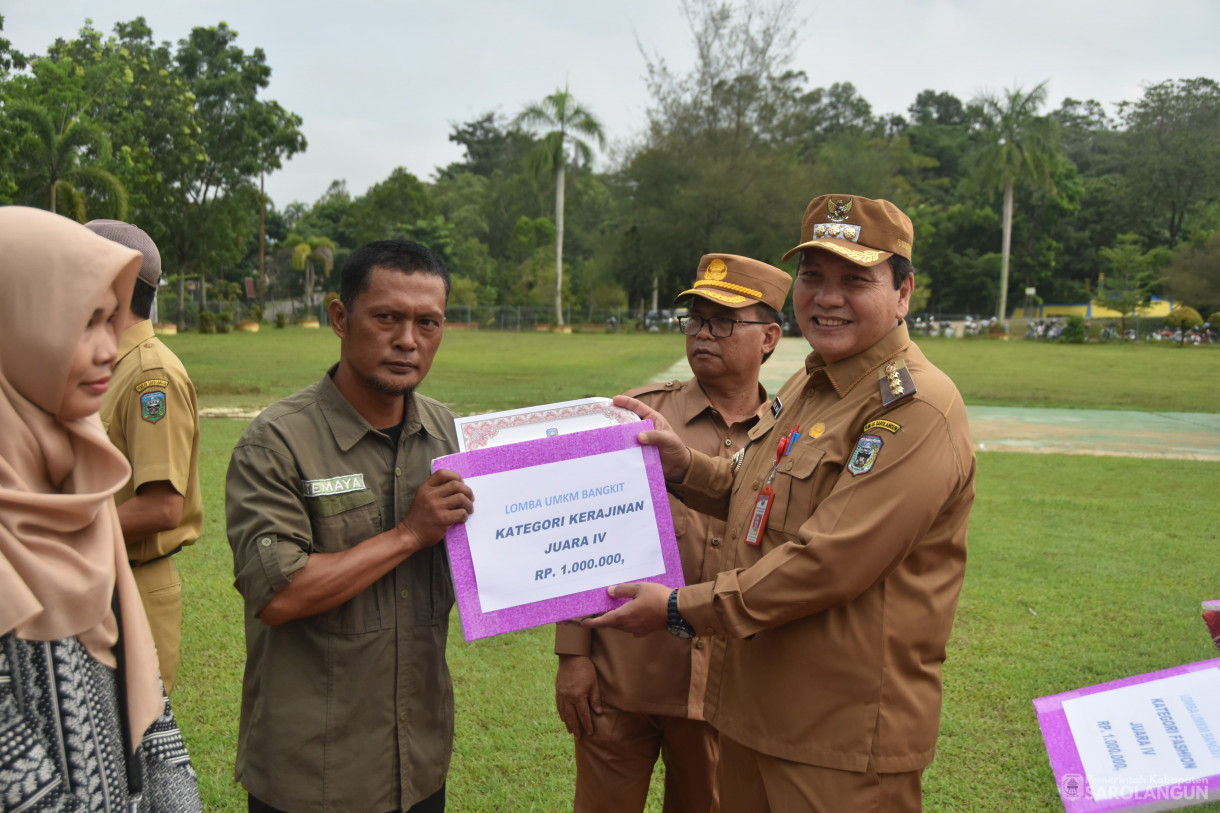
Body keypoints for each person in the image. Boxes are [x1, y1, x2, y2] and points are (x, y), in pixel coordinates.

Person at [586, 194, 976, 812]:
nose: (826, 296)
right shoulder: (811, 382)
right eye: (813, 276)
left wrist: (681, 609)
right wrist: (684, 467)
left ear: (903, 293)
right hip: (753, 713)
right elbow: (757, 488)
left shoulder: (913, 406)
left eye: (855, 279)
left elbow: (831, 559)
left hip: (839, 737)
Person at [225, 239, 475, 813]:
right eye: (387, 317)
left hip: (418, 762)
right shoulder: (278, 442)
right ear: (340, 317)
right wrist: (410, 534)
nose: (408, 340)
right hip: (314, 771)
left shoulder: (451, 438)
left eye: (427, 323)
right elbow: (279, 594)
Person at [554, 254, 791, 813]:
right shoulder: (637, 417)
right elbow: (584, 535)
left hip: (725, 689)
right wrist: (573, 656)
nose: (703, 333)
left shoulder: (792, 435)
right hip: (621, 677)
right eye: (695, 319)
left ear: (770, 338)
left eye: (724, 321)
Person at [0, 206, 202, 811]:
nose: (103, 349)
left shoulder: (137, 385)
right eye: (82, 320)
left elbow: (149, 725)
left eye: (109, 319)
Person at [88, 219, 202, 696]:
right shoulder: (101, 365)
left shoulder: (149, 376)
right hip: (97, 580)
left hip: (132, 588)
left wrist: (56, 534)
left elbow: (161, 507)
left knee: (128, 751)